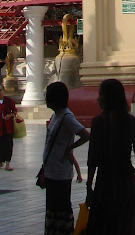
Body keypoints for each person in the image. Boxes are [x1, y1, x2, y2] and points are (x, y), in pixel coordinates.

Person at [86, 78, 135, 235]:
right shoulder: (134, 122)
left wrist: (88, 187)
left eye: (101, 95)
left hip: (105, 183)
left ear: (108, 97)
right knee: (124, 227)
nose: (98, 99)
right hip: (126, 184)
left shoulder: (99, 122)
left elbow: (93, 159)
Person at [41, 82, 90, 235]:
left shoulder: (67, 117)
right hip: (51, 169)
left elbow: (85, 135)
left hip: (61, 172)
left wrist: (69, 148)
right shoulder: (56, 115)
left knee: (61, 207)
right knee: (52, 207)